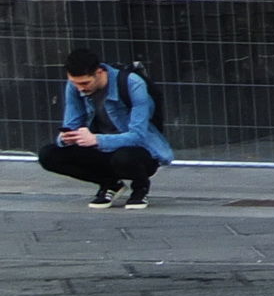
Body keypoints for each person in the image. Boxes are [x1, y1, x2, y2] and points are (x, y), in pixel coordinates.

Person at [37, 48, 173, 209]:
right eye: (75, 83)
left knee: (123, 157)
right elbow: (71, 123)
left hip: (139, 151)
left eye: (85, 83)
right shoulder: (74, 86)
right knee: (48, 155)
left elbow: (138, 135)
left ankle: (140, 187)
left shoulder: (132, 83)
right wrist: (67, 138)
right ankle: (110, 183)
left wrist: (96, 139)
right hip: (101, 148)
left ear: (100, 72)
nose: (80, 88)